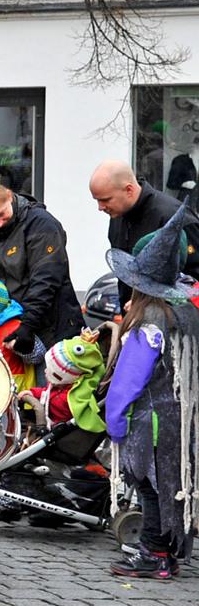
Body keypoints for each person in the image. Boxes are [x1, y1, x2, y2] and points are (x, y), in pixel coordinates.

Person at [104, 196, 199, 579]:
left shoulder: (150, 320)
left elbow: (131, 375)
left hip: (151, 420)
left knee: (150, 486)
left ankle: (154, 552)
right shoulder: (187, 312)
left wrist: (115, 418)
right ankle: (170, 550)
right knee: (173, 485)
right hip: (181, 417)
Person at [0, 173, 83, 353]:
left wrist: (27, 324)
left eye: (1, 214)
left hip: (49, 328)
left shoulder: (41, 224)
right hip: (3, 332)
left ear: (9, 196)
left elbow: (46, 279)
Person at [89, 159, 199, 307]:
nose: (100, 207)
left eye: (105, 200)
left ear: (129, 190)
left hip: (172, 324)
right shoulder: (117, 217)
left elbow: (194, 280)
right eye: (97, 200)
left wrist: (152, 305)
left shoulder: (174, 217)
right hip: (134, 319)